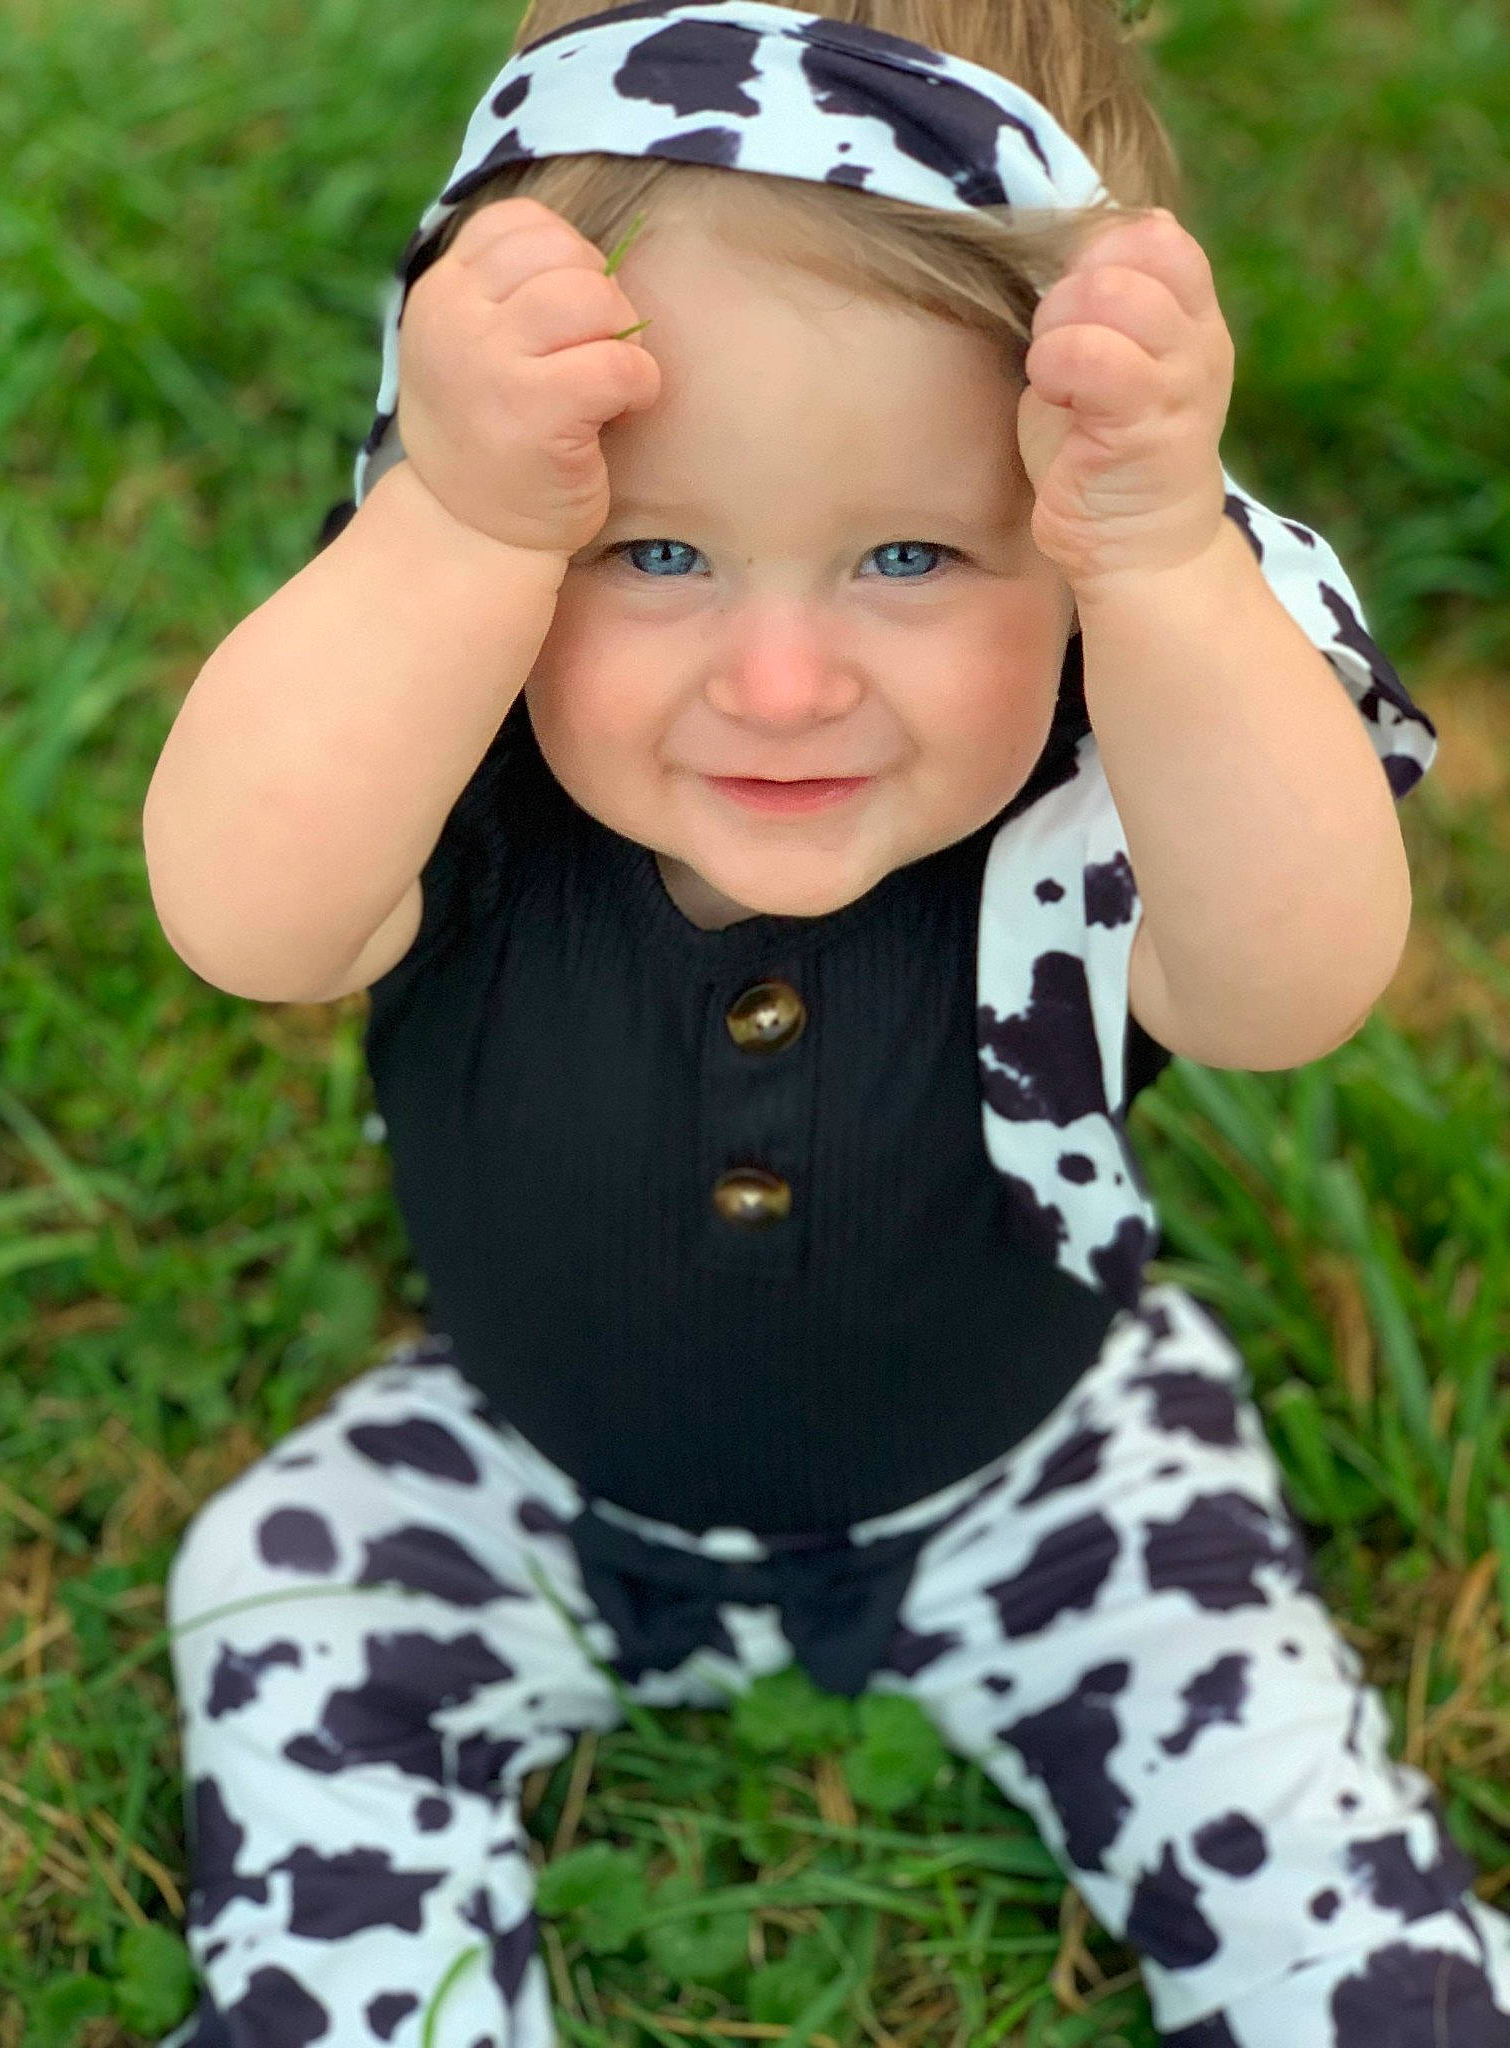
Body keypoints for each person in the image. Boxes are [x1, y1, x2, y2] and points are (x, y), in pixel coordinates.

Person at [140, 2, 1510, 2043]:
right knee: (285, 1586)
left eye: (911, 552)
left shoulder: (1096, 768)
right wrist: (455, 533)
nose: (781, 684)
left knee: (1283, 1814)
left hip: (1041, 1469)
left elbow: (1292, 990)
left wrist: (1171, 582)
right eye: (655, 548)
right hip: (527, 1469)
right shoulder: (457, 742)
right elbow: (243, 913)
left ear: (1068, 543)